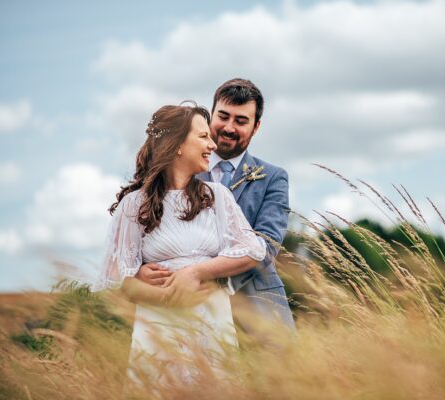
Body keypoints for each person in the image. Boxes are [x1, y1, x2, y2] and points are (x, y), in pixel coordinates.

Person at [92, 103, 266, 384]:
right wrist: (169, 298)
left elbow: (252, 251)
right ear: (177, 145)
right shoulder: (134, 206)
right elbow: (121, 281)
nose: (212, 144)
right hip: (159, 327)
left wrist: (196, 272)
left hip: (211, 322)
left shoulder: (217, 197)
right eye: (202, 137)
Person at [136, 78, 296, 335]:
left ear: (256, 127)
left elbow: (265, 248)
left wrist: (200, 273)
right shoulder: (176, 170)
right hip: (185, 311)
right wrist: (141, 271)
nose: (229, 127)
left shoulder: (273, 177)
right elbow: (146, 231)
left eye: (241, 121)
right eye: (223, 116)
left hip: (259, 314)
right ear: (211, 116)